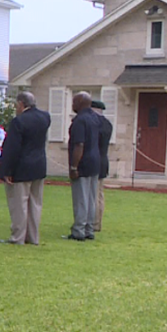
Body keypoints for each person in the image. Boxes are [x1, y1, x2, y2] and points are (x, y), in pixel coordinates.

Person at [0, 91, 51, 245]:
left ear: (21, 104)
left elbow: (12, 148)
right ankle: (33, 237)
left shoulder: (18, 122)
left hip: (22, 167)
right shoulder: (45, 117)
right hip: (39, 165)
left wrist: (6, 170)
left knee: (19, 204)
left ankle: (17, 237)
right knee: (35, 204)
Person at [65, 91, 101, 241]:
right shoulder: (95, 118)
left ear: (80, 103)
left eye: (74, 102)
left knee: (81, 197)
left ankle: (79, 230)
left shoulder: (80, 121)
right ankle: (89, 228)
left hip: (83, 162)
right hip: (95, 161)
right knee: (91, 198)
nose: (72, 105)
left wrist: (74, 167)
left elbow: (79, 145)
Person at [91, 99, 113, 232]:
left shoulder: (94, 124)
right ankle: (97, 222)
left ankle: (93, 222)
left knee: (94, 194)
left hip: (95, 160)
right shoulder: (108, 124)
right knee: (99, 194)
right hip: (103, 159)